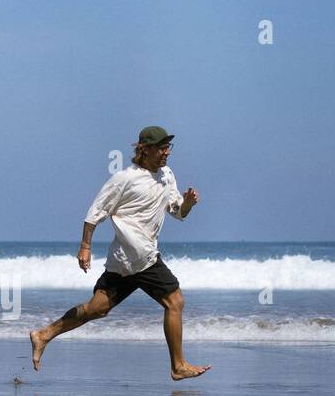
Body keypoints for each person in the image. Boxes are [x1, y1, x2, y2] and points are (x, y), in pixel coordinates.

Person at [29, 125, 210, 380]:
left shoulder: (167, 175)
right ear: (144, 150)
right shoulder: (124, 179)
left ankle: (43, 334)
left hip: (125, 260)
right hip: (141, 257)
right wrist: (85, 247)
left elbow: (177, 212)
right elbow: (95, 212)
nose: (167, 152)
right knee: (175, 301)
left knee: (97, 309)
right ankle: (178, 366)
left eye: (168, 147)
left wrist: (187, 204)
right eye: (161, 148)